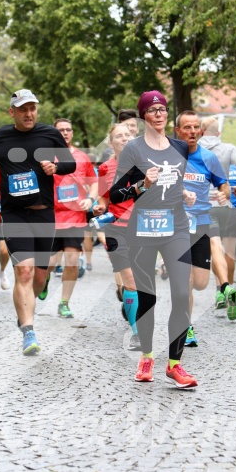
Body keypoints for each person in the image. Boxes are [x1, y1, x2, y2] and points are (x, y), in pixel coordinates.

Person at [0, 89, 76, 354]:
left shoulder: (49, 134)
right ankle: (28, 332)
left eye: (32, 108)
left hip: (43, 214)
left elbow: (70, 164)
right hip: (14, 214)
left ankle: (26, 308)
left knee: (39, 279)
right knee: (24, 271)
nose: (29, 113)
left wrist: (56, 167)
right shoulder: (1, 136)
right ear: (13, 112)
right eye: (23, 109)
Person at [110, 90, 198, 389]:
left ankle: (175, 365)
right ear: (143, 115)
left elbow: (177, 177)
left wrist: (183, 191)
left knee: (182, 295)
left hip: (176, 225)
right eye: (153, 110)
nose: (159, 114)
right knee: (148, 297)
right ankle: (147, 356)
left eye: (163, 109)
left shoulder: (180, 147)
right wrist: (142, 184)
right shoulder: (133, 150)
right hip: (144, 228)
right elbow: (116, 193)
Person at [175, 110, 236, 348]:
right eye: (187, 128)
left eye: (195, 128)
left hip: (201, 221)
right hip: (177, 223)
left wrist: (223, 195)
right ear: (178, 131)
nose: (192, 132)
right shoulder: (170, 157)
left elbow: (224, 185)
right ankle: (187, 327)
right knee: (185, 278)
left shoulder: (208, 158)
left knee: (200, 282)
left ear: (200, 133)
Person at [38, 118, 97, 317]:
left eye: (68, 130)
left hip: (75, 216)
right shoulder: (45, 157)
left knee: (72, 262)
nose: (65, 133)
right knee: (50, 263)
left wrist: (90, 199)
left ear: (72, 133)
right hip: (52, 217)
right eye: (60, 130)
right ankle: (44, 279)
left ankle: (64, 303)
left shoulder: (82, 157)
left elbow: (94, 182)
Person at [94, 122, 141, 350]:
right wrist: (99, 207)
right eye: (119, 136)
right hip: (115, 229)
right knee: (130, 280)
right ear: (111, 143)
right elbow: (103, 197)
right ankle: (137, 333)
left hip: (142, 228)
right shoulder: (105, 168)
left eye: (127, 135)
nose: (124, 138)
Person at [199, 116, 236, 308]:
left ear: (201, 132)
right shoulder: (228, 148)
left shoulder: (194, 148)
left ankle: (221, 293)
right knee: (228, 251)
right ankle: (228, 288)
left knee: (214, 249)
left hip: (204, 206)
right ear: (218, 133)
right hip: (225, 204)